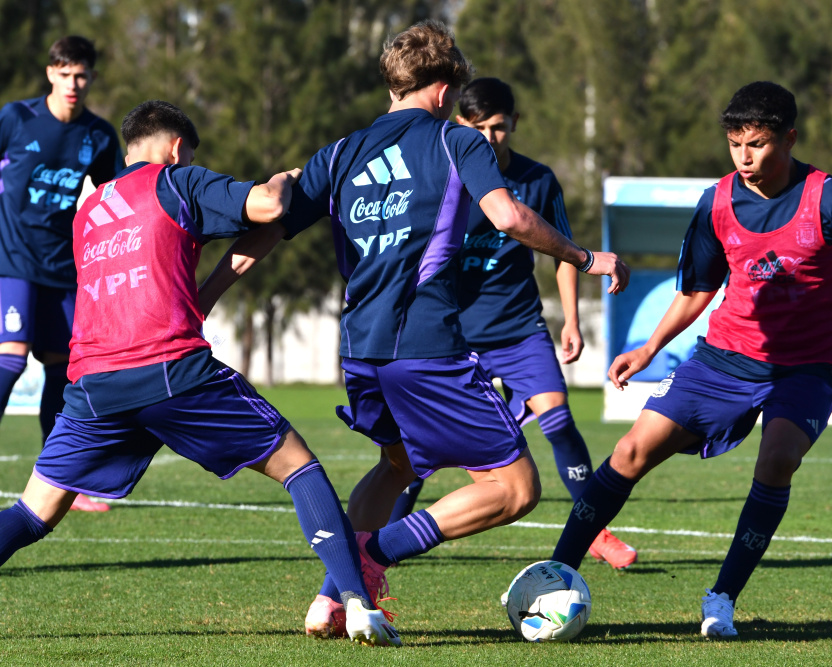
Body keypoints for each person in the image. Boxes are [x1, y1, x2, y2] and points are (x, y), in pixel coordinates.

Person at [201, 20, 629, 638]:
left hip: (359, 349)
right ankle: (370, 560)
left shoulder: (341, 152)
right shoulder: (458, 143)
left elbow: (268, 229)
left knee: (397, 465)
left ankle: (334, 598)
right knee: (514, 487)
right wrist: (585, 257)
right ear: (446, 85)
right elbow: (507, 215)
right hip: (424, 344)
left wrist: (205, 296)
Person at [0, 100, 399, 647]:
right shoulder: (176, 181)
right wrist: (284, 179)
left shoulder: (90, 211)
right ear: (177, 148)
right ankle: (355, 603)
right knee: (299, 466)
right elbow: (265, 207)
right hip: (169, 372)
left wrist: (206, 292)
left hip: (92, 385)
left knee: (32, 513)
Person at [546, 81, 832, 638]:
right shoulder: (716, 202)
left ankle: (721, 598)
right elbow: (698, 288)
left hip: (808, 366)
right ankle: (555, 576)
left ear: (789, 138)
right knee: (630, 450)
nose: (745, 157)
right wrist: (648, 348)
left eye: (759, 144)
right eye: (735, 144)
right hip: (724, 358)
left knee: (777, 460)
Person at [385, 77, 636, 569]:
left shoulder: (538, 180)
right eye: (478, 128)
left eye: (499, 128)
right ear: (459, 125)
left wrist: (570, 320)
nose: (489, 139)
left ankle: (595, 530)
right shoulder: (443, 178)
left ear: (514, 123)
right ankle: (383, 546)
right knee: (415, 449)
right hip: (451, 335)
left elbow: (565, 251)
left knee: (560, 422)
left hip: (519, 328)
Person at [0, 37, 124, 513]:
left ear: (90, 78)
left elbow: (117, 195)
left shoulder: (97, 134)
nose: (73, 84)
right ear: (50, 73)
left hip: (62, 269)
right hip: (11, 260)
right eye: (65, 73)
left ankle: (61, 481)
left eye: (82, 75)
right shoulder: (16, 118)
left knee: (63, 369)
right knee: (10, 360)